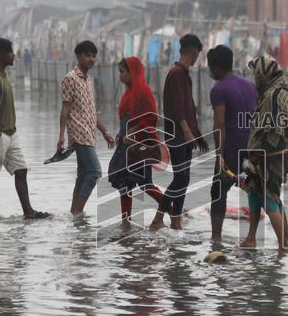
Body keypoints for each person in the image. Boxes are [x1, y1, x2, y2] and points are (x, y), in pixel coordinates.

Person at [0, 37, 50, 223]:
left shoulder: (4, 76)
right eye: (10, 52)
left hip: (11, 133)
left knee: (21, 170)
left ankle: (28, 212)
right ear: (0, 55)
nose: (14, 55)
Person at [240, 54, 288, 252]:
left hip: (272, 154)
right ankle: (253, 238)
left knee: (269, 197)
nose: (254, 79)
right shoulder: (286, 91)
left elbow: (273, 132)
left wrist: (255, 158)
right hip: (280, 152)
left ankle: (283, 247)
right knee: (256, 190)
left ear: (263, 75)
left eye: (255, 75)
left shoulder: (273, 96)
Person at [150, 34, 209, 231]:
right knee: (180, 178)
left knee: (184, 178)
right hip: (177, 136)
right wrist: (188, 132)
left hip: (186, 136)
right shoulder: (175, 74)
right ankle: (159, 218)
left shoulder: (184, 74)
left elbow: (189, 108)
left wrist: (197, 134)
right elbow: (177, 109)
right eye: (197, 55)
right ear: (192, 52)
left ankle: (176, 219)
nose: (196, 59)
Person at [57, 40, 115, 216]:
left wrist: (104, 131)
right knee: (95, 172)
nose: (91, 59)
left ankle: (74, 213)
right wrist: (61, 136)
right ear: (78, 56)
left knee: (83, 174)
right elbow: (65, 109)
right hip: (78, 132)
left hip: (89, 132)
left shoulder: (89, 79)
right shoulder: (70, 79)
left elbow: (90, 111)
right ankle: (78, 211)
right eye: (87, 55)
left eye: (93, 55)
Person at [107, 56, 165, 227]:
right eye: (119, 71)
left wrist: (133, 132)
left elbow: (150, 117)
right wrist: (122, 134)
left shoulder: (142, 91)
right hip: (126, 145)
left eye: (122, 72)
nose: (120, 75)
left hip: (140, 145)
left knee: (145, 183)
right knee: (124, 183)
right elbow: (127, 117)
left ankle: (171, 208)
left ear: (132, 71)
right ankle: (126, 221)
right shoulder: (129, 91)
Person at [208, 44, 257, 243]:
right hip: (253, 147)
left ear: (217, 68)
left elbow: (220, 123)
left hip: (231, 149)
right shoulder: (250, 85)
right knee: (256, 191)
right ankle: (253, 237)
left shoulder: (218, 89)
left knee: (218, 191)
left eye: (210, 67)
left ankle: (216, 239)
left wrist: (218, 154)